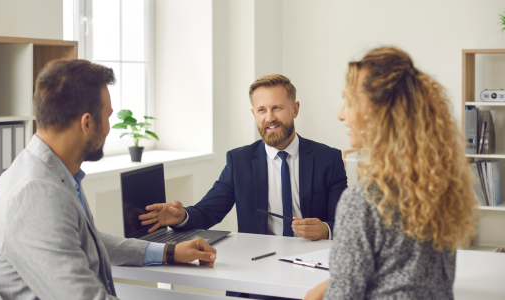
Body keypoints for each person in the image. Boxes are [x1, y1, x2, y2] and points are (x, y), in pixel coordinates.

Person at [0, 59, 217, 300]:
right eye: (107, 117)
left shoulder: (53, 172)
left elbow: (88, 238)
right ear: (86, 123)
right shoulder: (37, 192)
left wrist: (169, 252)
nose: (108, 128)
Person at [140, 74, 348, 299]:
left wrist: (325, 229)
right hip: (256, 272)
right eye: (261, 110)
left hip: (312, 272)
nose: (270, 118)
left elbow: (347, 225)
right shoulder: (239, 161)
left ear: (295, 109)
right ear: (254, 114)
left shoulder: (329, 159)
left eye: (277, 108)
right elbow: (209, 211)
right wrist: (181, 217)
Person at [304, 47, 478, 300]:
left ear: (380, 113)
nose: (341, 114)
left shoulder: (363, 201)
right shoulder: (439, 186)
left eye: (349, 102)